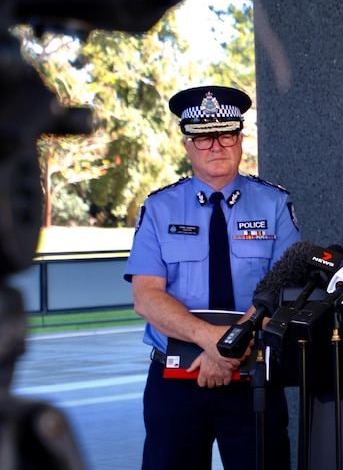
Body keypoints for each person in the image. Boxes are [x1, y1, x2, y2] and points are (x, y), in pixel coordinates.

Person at [124, 85, 300, 470]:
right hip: (175, 383)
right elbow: (147, 297)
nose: (216, 145)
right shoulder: (158, 208)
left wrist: (229, 352)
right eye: (204, 137)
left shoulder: (274, 204)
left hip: (253, 378)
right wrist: (217, 344)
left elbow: (285, 288)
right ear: (188, 144)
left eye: (226, 133)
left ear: (239, 139)